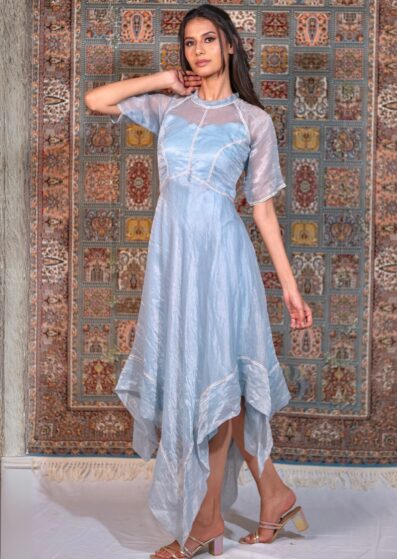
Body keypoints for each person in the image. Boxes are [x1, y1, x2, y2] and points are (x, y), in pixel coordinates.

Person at [85, 4, 313, 558]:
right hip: (174, 264)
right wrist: (163, 79)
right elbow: (97, 100)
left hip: (222, 263)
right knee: (207, 379)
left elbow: (263, 211)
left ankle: (207, 521)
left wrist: (289, 286)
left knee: (220, 382)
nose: (199, 51)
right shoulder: (170, 108)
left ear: (230, 45)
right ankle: (275, 495)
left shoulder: (253, 122)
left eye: (209, 40)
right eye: (189, 43)